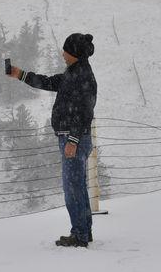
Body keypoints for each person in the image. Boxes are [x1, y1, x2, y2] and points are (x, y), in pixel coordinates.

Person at [7, 33, 97, 247]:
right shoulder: (74, 73)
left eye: (65, 50)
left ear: (73, 53)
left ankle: (79, 235)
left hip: (74, 138)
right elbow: (48, 82)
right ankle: (84, 231)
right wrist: (21, 75)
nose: (62, 53)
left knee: (72, 188)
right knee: (78, 186)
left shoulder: (81, 76)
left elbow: (84, 111)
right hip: (74, 137)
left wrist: (73, 140)